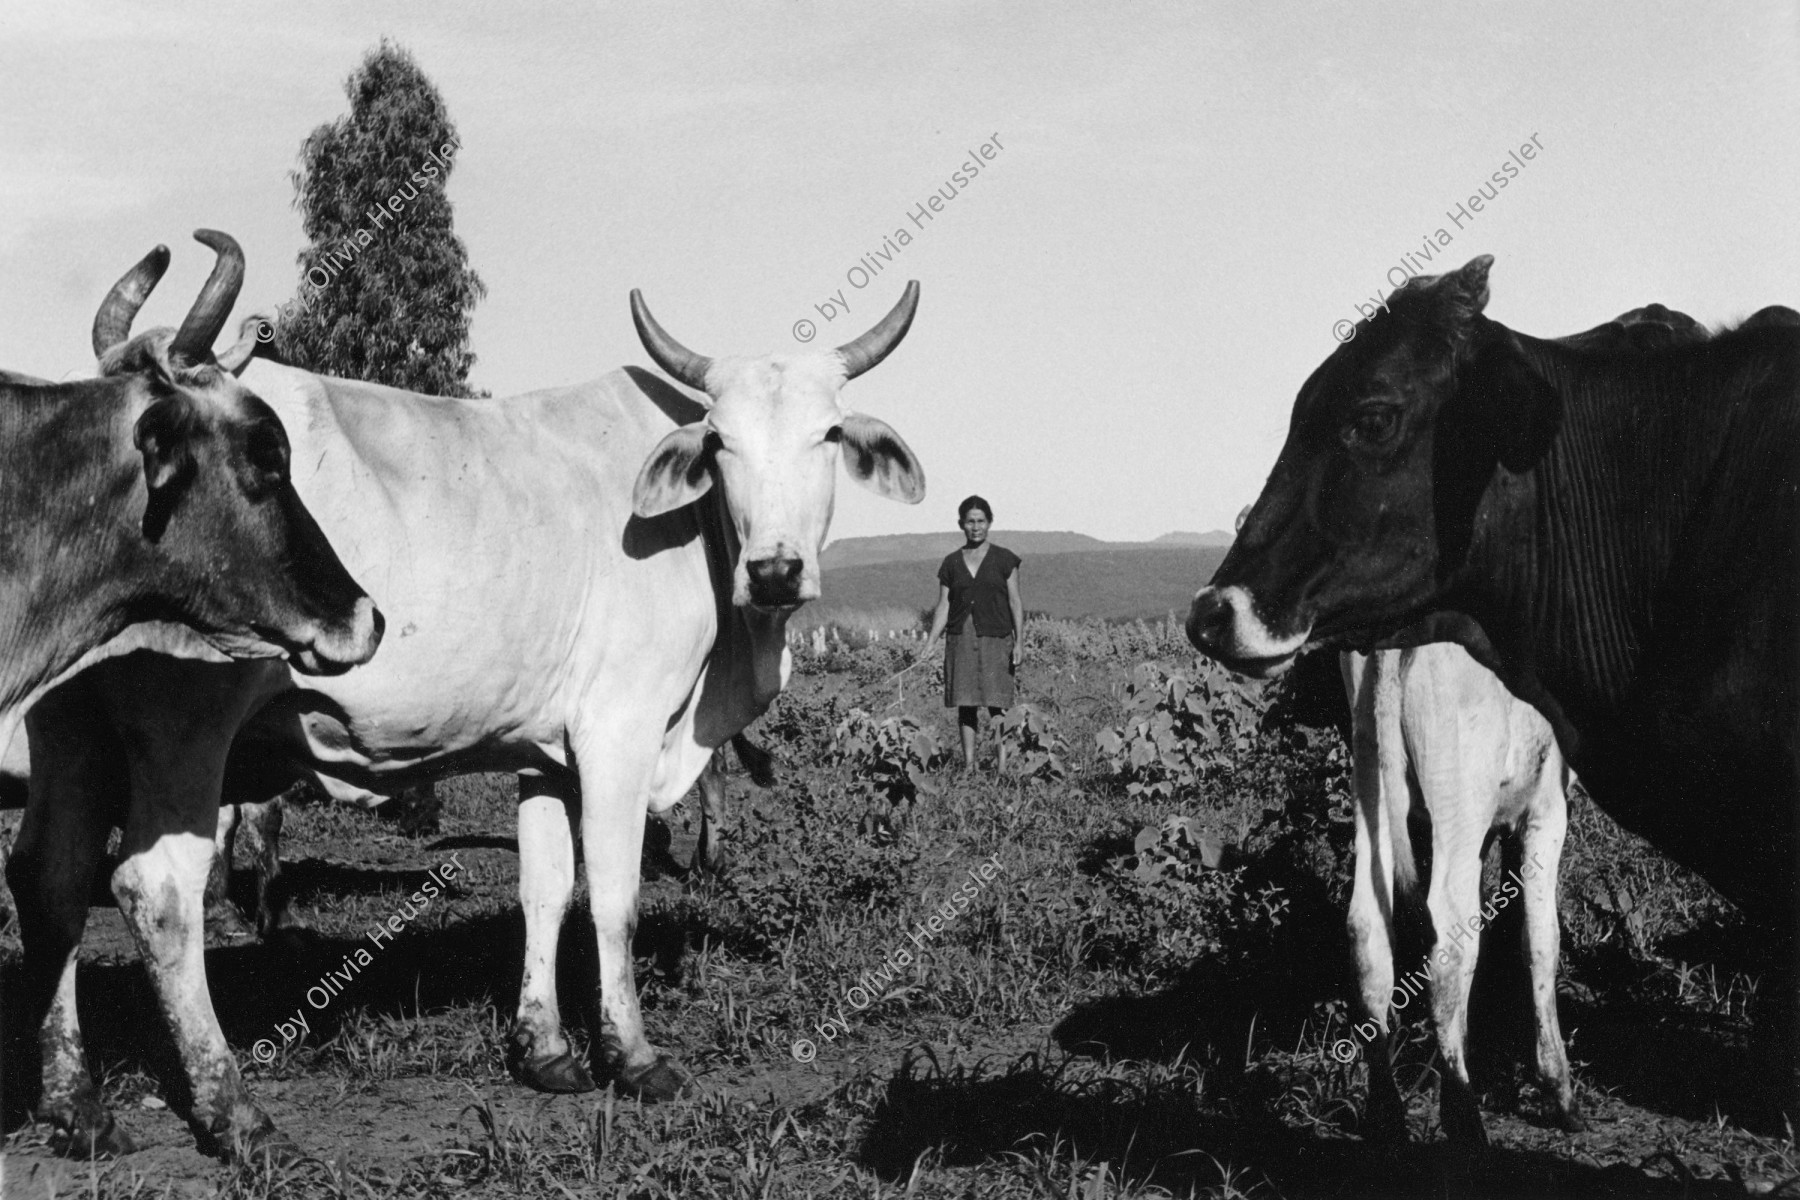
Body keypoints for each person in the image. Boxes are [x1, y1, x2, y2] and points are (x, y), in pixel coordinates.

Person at [922, 495, 1024, 772]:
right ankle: (970, 765)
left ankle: (1002, 766)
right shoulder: (951, 563)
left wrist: (1019, 643)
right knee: (965, 703)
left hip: (996, 637)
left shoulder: (1005, 559)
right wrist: (931, 640)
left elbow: (1015, 602)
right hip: (961, 638)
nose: (976, 527)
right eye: (970, 522)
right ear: (961, 525)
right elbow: (943, 605)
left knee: (997, 703)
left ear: (989, 523)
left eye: (981, 521)